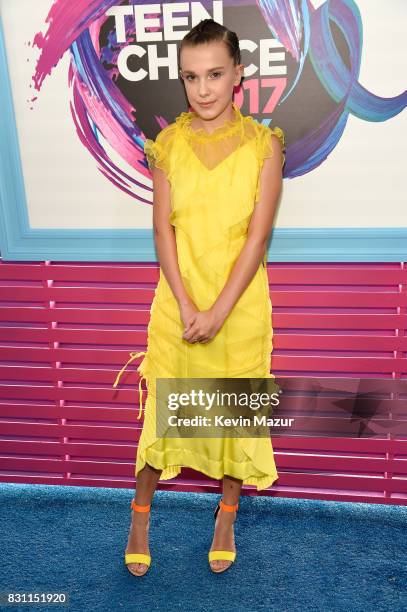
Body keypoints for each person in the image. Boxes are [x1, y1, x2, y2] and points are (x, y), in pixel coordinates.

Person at [112, 18, 285, 577]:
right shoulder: (168, 144)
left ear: (238, 74)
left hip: (238, 310)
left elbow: (258, 240)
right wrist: (188, 306)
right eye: (191, 77)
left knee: (235, 414)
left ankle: (226, 516)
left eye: (214, 74)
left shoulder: (265, 146)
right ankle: (140, 517)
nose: (203, 88)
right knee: (163, 417)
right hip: (178, 306)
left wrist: (217, 311)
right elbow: (163, 231)